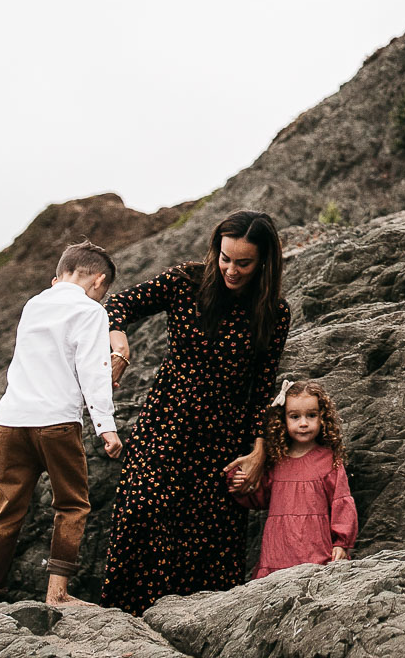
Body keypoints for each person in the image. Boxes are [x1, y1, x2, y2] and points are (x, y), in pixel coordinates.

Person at [101, 211, 290, 614]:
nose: (231, 270)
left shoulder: (274, 311)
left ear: (264, 262)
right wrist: (119, 342)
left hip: (222, 441)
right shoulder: (184, 282)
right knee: (141, 515)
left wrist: (259, 452)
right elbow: (118, 303)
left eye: (244, 263)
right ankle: (125, 627)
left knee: (205, 546)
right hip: (164, 423)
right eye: (225, 258)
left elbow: (262, 388)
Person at [0, 241, 124, 611]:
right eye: (104, 291)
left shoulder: (34, 304)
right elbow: (93, 371)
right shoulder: (91, 311)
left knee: (4, 511)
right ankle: (56, 593)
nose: (102, 297)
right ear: (98, 280)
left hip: (10, 421)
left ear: (60, 275)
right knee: (72, 504)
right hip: (56, 422)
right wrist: (106, 426)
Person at [231, 377, 358, 578]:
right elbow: (260, 498)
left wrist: (342, 543)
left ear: (323, 417)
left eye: (311, 415)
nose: (304, 423)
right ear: (283, 420)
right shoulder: (276, 460)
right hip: (277, 553)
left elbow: (341, 502)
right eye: (295, 417)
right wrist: (241, 484)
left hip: (316, 552)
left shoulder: (329, 460)